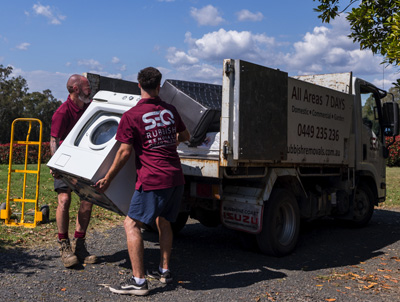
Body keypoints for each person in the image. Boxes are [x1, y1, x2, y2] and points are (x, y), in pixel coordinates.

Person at [95, 67, 190, 296]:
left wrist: (108, 178)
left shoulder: (131, 116)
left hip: (153, 179)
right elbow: (185, 137)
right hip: (176, 177)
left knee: (131, 224)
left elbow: (124, 153)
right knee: (164, 221)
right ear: (159, 86)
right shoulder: (170, 110)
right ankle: (164, 270)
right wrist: (169, 140)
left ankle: (138, 282)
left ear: (139, 85)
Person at [50, 74, 97, 268]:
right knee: (64, 200)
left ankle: (80, 245)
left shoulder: (90, 107)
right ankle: (64, 245)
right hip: (66, 162)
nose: (90, 90)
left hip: (85, 161)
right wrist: (56, 165)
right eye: (87, 87)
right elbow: (54, 139)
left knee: (87, 202)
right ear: (76, 89)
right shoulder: (62, 112)